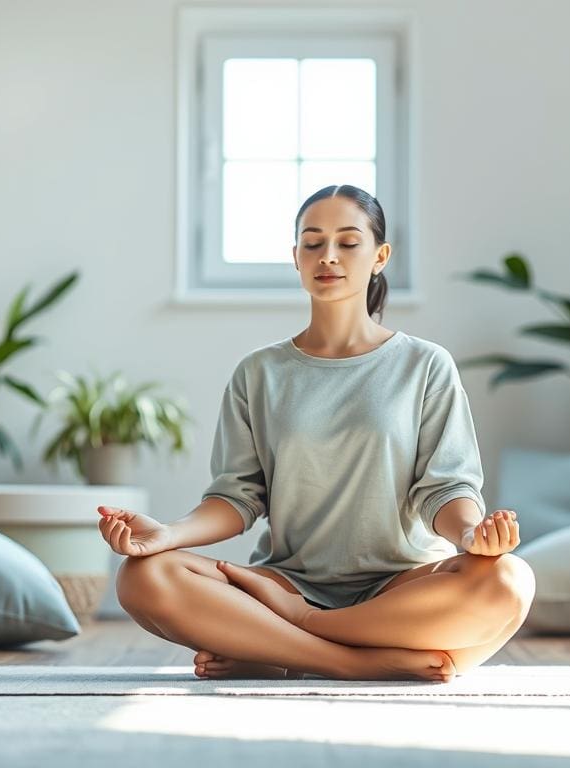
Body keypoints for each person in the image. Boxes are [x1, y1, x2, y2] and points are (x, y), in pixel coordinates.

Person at [98, 184, 536, 682]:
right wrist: (168, 534)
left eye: (348, 242)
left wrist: (471, 535)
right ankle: (353, 661)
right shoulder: (258, 372)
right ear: (296, 258)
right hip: (285, 581)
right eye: (312, 242)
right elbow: (237, 498)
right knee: (143, 576)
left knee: (508, 581)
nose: (328, 256)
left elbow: (446, 488)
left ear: (380, 256)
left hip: (400, 589)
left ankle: (286, 640)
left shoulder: (425, 365)